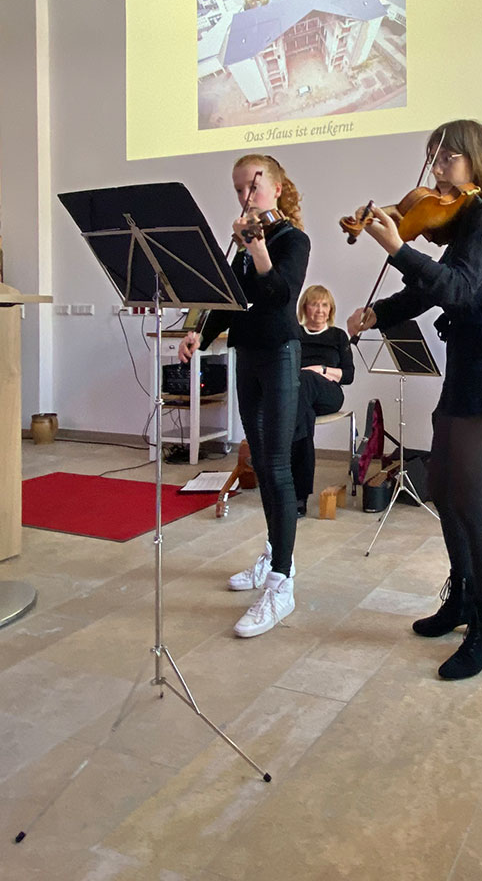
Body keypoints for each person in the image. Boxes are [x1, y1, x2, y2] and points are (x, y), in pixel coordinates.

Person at [346, 118, 482, 681]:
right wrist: (379, 313)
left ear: (477, 159)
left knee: (470, 493)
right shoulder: (464, 218)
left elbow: (457, 288)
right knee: (446, 487)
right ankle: (462, 599)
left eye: (448, 157)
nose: (438, 170)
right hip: (467, 357)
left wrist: (397, 245)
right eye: (434, 158)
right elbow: (428, 290)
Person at [178, 154, 310, 638]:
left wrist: (256, 246)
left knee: (276, 467)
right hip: (247, 356)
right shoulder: (240, 247)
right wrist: (200, 331)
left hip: (278, 354)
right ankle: (274, 554)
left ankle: (282, 580)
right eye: (237, 190)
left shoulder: (293, 239)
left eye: (251, 187)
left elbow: (277, 295)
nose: (244, 196)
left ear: (276, 188)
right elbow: (230, 301)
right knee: (260, 463)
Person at [292, 284, 353, 517]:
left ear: (331, 309)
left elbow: (348, 375)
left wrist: (322, 369)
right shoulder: (294, 333)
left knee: (305, 379)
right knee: (303, 417)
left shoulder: (338, 336)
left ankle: (284, 472)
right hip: (300, 397)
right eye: (314, 304)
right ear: (304, 308)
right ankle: (299, 496)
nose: (319, 310)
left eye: (324, 305)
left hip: (328, 394)